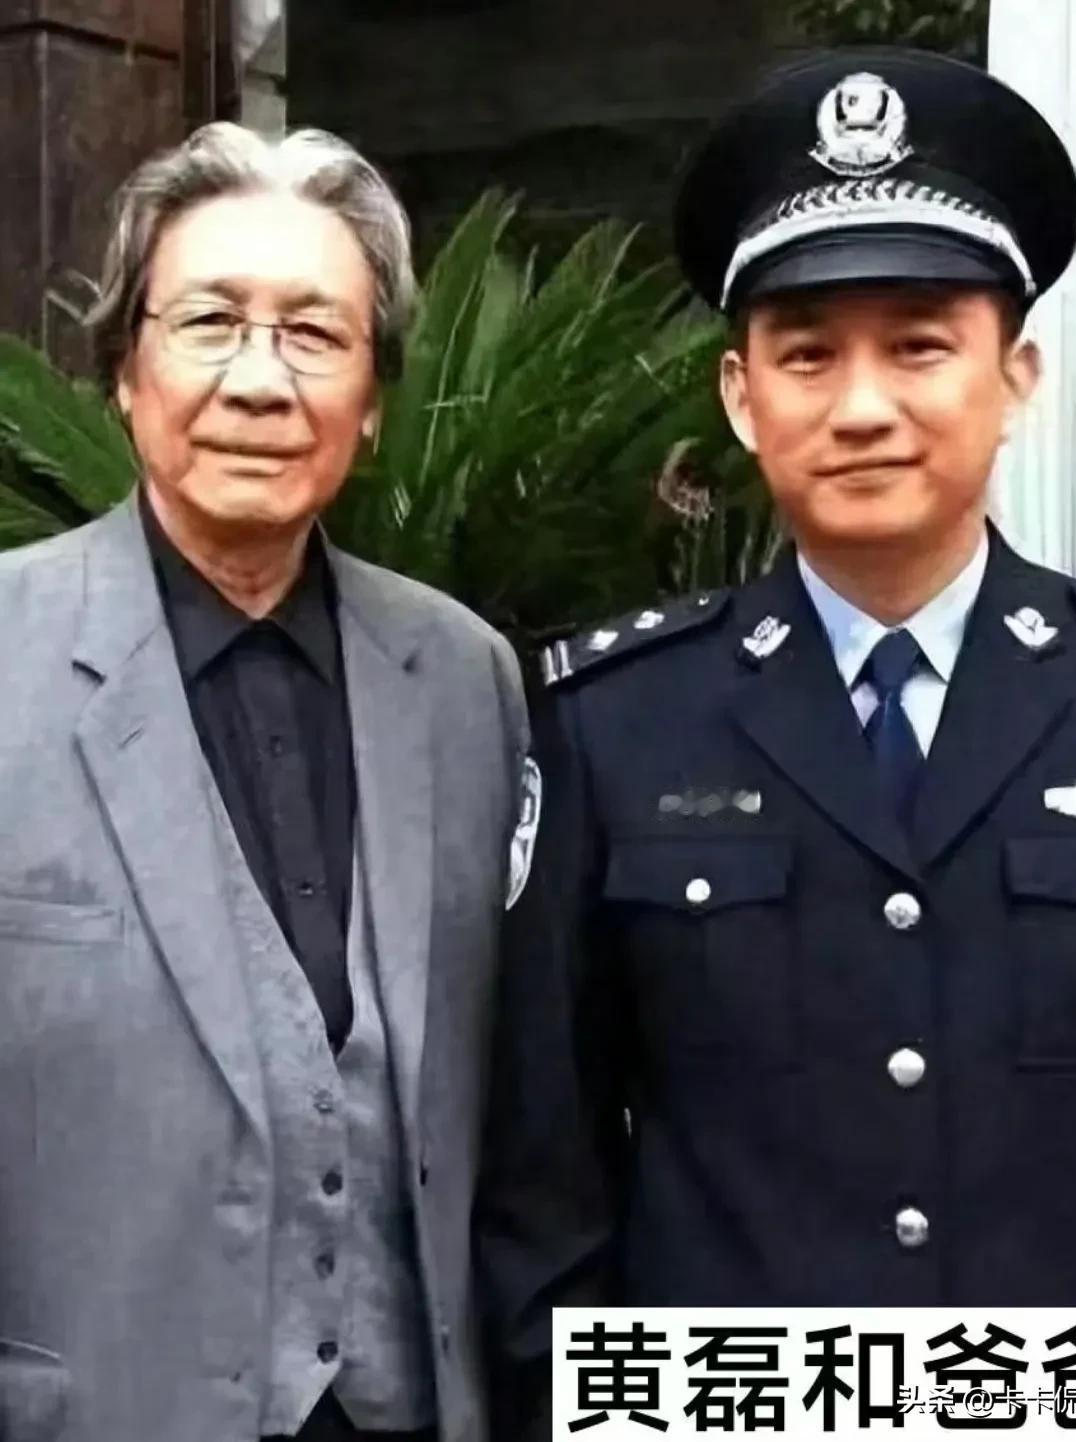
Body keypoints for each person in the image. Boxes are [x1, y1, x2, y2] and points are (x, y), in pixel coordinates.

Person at [477, 44, 1076, 1434]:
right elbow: (544, 1192)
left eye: (918, 344)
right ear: (743, 398)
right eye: (807, 354)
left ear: (1014, 376)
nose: (861, 406)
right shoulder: (616, 723)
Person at [0, 123, 528, 1442]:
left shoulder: (465, 680)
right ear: (124, 371)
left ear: (374, 396)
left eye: (313, 333)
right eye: (209, 322)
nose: (258, 381)